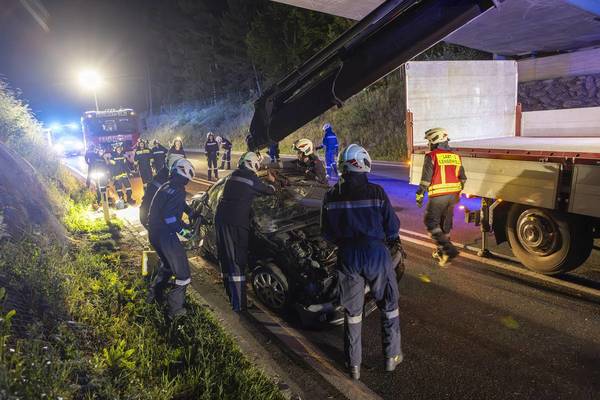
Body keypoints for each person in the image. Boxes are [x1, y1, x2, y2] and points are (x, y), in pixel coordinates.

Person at [321, 144, 403, 380]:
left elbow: (326, 233)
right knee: (388, 305)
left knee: (353, 312)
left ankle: (353, 365)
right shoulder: (376, 192)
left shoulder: (331, 195)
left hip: (347, 256)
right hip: (376, 253)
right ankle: (391, 357)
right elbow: (392, 227)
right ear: (363, 163)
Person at [215, 152, 276, 312]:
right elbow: (269, 191)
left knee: (226, 260)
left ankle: (232, 297)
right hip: (236, 223)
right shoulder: (251, 179)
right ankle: (239, 305)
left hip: (221, 220)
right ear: (253, 164)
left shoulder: (233, 175)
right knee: (237, 262)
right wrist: (272, 182)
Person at [146, 158, 196, 319]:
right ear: (185, 175)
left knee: (167, 266)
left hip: (154, 233)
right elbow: (170, 218)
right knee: (183, 274)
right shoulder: (178, 190)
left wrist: (190, 212)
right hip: (165, 236)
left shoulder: (167, 186)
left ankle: (154, 295)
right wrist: (185, 232)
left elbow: (176, 204)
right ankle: (175, 310)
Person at [416, 127, 466, 267]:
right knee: (445, 224)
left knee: (430, 222)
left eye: (429, 142)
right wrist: (455, 191)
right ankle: (442, 253)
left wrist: (420, 194)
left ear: (435, 141)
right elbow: (462, 178)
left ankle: (449, 250)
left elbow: (425, 180)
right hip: (453, 196)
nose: (428, 144)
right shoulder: (456, 157)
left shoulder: (431, 156)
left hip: (438, 196)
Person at [139, 153, 185, 228]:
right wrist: (182, 228)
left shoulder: (165, 175)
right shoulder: (163, 180)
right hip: (151, 219)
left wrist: (190, 212)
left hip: (150, 216)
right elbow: (170, 208)